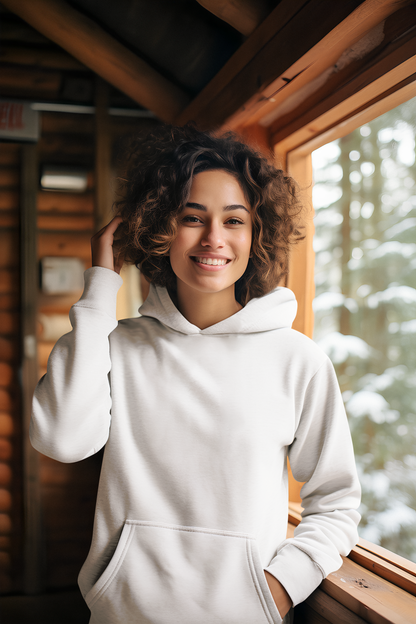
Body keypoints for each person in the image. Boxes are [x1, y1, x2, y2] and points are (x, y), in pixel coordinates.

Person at [30, 125, 361, 624]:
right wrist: (100, 287)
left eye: (234, 220)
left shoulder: (299, 360)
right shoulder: (114, 346)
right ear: (159, 227)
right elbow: (62, 439)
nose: (213, 239)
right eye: (192, 217)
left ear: (257, 234)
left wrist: (275, 590)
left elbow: (336, 504)